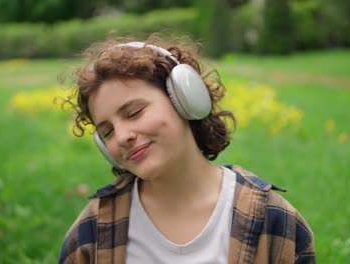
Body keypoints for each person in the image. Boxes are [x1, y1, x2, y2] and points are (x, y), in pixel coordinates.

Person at [58, 35, 315, 264]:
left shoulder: (274, 219)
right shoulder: (93, 231)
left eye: (134, 112)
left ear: (185, 99)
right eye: (108, 132)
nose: (123, 136)